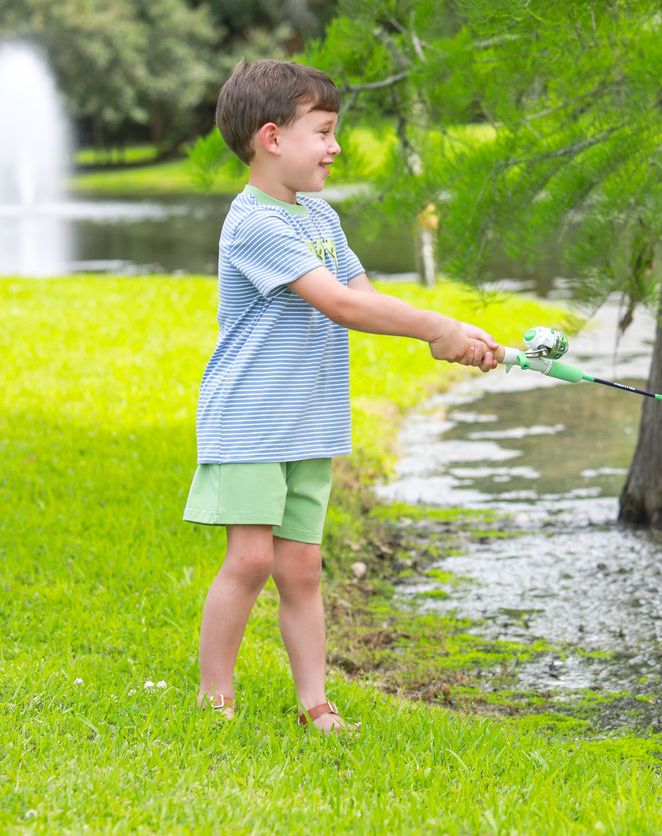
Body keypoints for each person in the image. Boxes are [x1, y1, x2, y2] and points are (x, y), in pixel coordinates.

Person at [185, 58, 499, 733]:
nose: (335, 146)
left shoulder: (321, 218)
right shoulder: (253, 224)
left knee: (301, 564)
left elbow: (366, 298)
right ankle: (214, 703)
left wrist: (448, 336)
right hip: (250, 421)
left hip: (307, 422)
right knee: (249, 559)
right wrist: (436, 326)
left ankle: (315, 704)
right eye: (323, 132)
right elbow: (335, 305)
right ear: (271, 137)